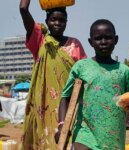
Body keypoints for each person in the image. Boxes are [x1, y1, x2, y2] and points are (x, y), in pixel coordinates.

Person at [56, 19, 129, 150]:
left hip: (113, 138)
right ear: (90, 42)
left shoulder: (123, 71)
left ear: (116, 40)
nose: (103, 42)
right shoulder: (81, 67)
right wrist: (62, 125)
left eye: (108, 38)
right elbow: (66, 97)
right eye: (98, 38)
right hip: (84, 133)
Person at [19, 0, 87, 149]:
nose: (57, 23)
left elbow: (85, 75)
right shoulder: (40, 40)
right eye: (53, 19)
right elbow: (23, 9)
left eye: (62, 20)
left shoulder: (75, 44)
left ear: (67, 22)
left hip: (69, 106)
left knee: (67, 143)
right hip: (44, 106)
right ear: (46, 21)